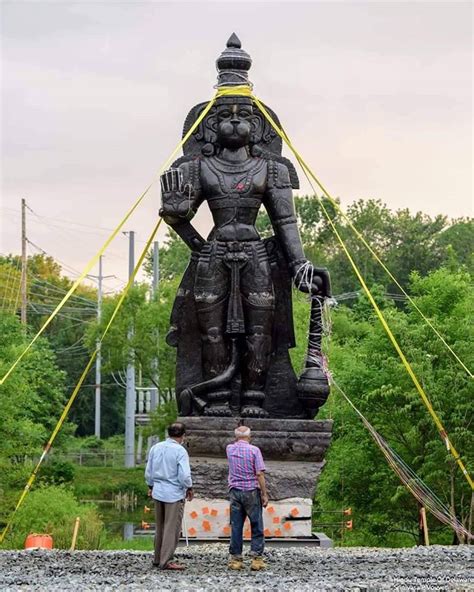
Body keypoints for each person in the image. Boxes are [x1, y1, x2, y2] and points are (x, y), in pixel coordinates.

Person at [145, 422, 193, 570]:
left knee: (160, 526)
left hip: (158, 491)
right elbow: (184, 475)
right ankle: (166, 561)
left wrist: (151, 486)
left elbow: (149, 471)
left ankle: (157, 558)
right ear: (183, 436)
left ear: (169, 433)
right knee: (171, 528)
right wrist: (189, 487)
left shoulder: (156, 448)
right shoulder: (180, 450)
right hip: (173, 493)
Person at [226, 425, 268, 571]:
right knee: (256, 524)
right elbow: (260, 474)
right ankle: (256, 559)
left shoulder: (229, 449)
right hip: (251, 491)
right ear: (250, 437)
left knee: (236, 525)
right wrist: (264, 494)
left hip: (235, 491)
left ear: (236, 437)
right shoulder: (254, 450)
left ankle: (236, 559)